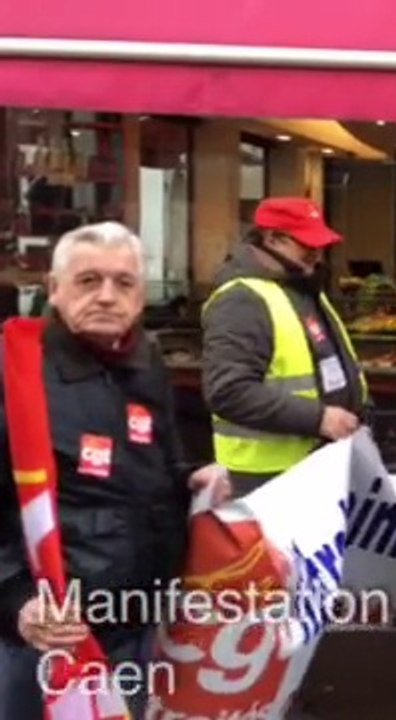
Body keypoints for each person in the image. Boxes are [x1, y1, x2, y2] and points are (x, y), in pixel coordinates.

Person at [0, 222, 230, 719]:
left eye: (123, 283)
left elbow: (157, 465)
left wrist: (192, 482)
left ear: (140, 296)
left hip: (141, 622)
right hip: (45, 637)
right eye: (88, 281)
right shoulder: (14, 374)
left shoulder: (145, 362)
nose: (107, 296)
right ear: (54, 290)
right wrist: (15, 600)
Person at [202, 197, 368, 495]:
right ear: (272, 239)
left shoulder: (301, 288)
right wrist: (320, 418)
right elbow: (229, 391)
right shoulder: (243, 298)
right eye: (307, 244)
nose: (316, 254)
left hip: (312, 466)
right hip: (265, 478)